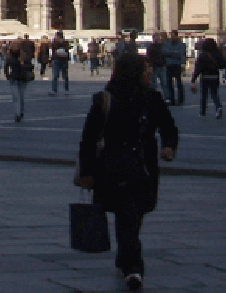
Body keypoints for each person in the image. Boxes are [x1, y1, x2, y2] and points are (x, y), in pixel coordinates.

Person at [75, 51, 178, 291]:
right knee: (128, 216)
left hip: (143, 167)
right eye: (145, 70)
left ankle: (124, 257)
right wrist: (87, 171)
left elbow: (168, 127)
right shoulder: (105, 100)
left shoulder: (152, 99)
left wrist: (169, 147)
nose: (150, 74)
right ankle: (133, 268)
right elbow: (89, 139)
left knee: (134, 216)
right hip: (114, 167)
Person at [190, 37, 225, 118]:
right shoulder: (217, 54)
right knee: (214, 94)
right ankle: (218, 107)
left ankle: (202, 112)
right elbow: (222, 64)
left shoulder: (202, 55)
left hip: (205, 76)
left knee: (204, 95)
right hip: (215, 76)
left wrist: (193, 80)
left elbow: (197, 69)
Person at [5, 40, 34, 121]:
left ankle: (21, 112)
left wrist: (22, 63)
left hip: (22, 78)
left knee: (21, 97)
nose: (15, 48)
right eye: (13, 46)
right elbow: (6, 66)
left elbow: (30, 66)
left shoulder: (23, 55)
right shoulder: (9, 56)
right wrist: (7, 75)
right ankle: (17, 114)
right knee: (16, 97)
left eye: (16, 46)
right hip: (14, 78)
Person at [160, 31, 187, 105]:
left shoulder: (181, 44)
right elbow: (164, 52)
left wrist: (171, 53)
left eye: (173, 36)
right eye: (171, 36)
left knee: (179, 83)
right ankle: (171, 99)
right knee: (169, 83)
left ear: (176, 36)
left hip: (177, 65)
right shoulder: (167, 43)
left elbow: (181, 53)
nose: (171, 37)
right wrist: (175, 52)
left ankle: (180, 99)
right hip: (169, 65)